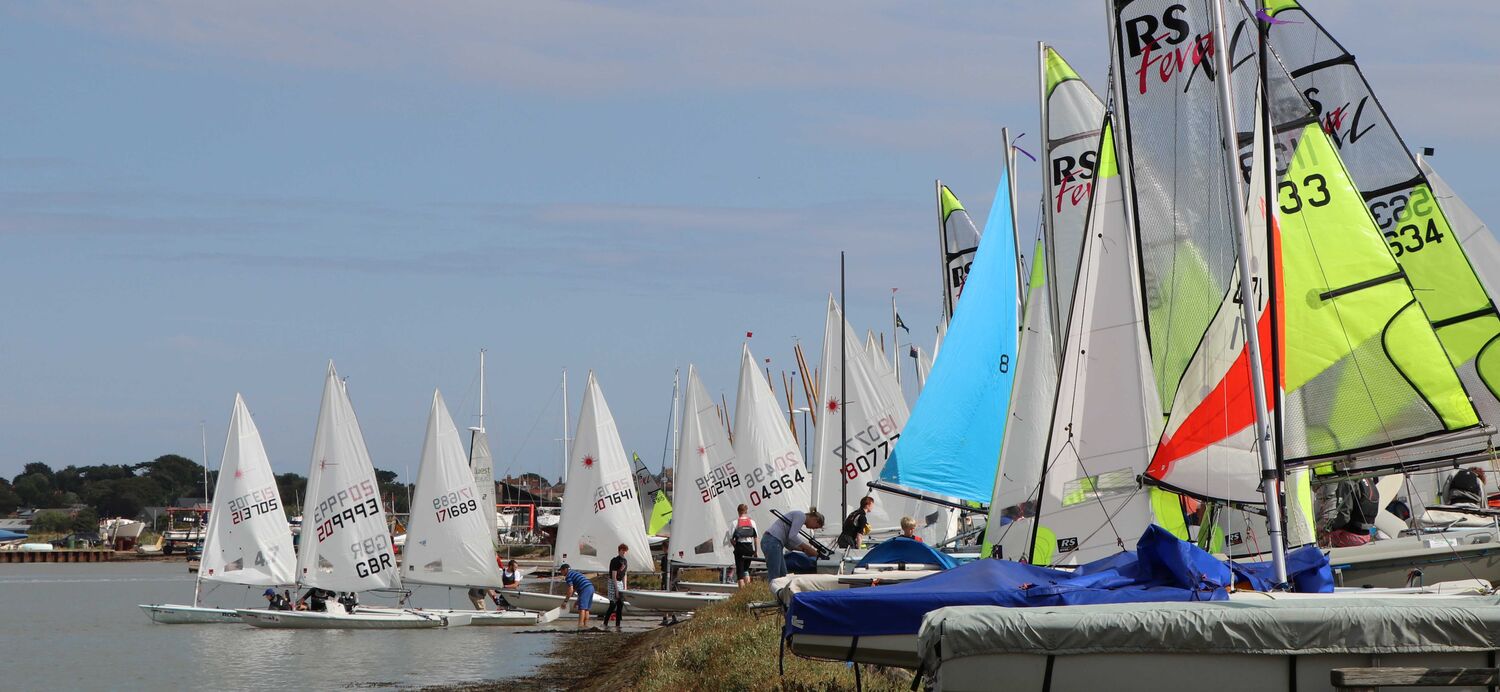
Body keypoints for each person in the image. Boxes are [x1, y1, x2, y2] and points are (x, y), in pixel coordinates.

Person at [762, 509, 825, 581]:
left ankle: (783, 591)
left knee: (783, 576)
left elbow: (788, 543)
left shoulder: (799, 518)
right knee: (775, 576)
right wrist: (809, 549)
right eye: (816, 527)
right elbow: (792, 536)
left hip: (773, 542)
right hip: (772, 541)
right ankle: (774, 591)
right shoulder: (801, 516)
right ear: (815, 519)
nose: (813, 529)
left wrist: (803, 550)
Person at [1316, 477, 1379, 548]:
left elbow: (1344, 517)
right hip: (1366, 535)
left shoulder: (1346, 482)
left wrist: (1327, 528)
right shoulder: (1368, 479)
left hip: (1350, 535)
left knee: (1319, 540)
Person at [728, 503, 759, 587]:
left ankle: (743, 594)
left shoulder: (734, 523)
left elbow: (731, 539)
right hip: (749, 548)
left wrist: (736, 547)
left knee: (740, 572)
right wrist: (755, 551)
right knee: (746, 570)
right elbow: (756, 538)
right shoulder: (752, 522)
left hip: (740, 547)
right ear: (746, 511)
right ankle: (748, 592)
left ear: (738, 511)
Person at [601, 544, 629, 630]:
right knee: (613, 604)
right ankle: (605, 623)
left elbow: (624, 575)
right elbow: (614, 576)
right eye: (622, 550)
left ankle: (618, 624)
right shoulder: (614, 560)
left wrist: (625, 587)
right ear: (619, 550)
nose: (624, 552)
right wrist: (616, 590)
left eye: (625, 551)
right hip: (613, 582)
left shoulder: (625, 561)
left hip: (620, 582)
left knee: (620, 604)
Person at [560, 563, 595, 629]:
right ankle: (585, 626)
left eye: (561, 570)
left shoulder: (568, 576)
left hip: (585, 589)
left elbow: (570, 590)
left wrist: (565, 602)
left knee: (582, 609)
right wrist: (577, 601)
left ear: (565, 570)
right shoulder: (574, 572)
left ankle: (580, 626)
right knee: (586, 609)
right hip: (591, 587)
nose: (561, 572)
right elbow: (575, 589)